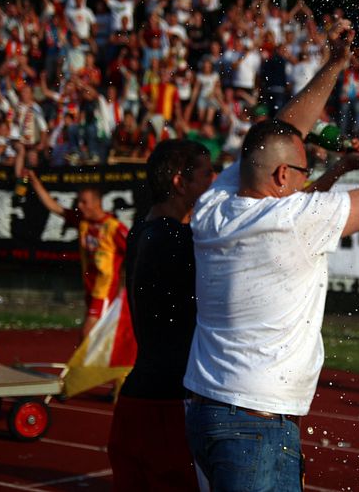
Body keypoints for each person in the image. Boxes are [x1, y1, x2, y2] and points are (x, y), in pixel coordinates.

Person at [183, 18, 359, 491]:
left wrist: (335, 64)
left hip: (208, 408)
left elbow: (284, 130)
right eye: (304, 171)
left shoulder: (214, 204)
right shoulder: (291, 219)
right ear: (281, 176)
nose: (308, 179)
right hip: (256, 422)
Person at [108, 140, 214, 490]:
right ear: (179, 182)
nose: (214, 182)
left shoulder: (143, 230)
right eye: (206, 174)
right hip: (169, 407)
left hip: (136, 398)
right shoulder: (176, 239)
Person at [27, 172, 128, 338]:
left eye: (84, 202)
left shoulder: (114, 228)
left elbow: (136, 253)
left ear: (97, 203)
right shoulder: (83, 221)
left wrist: (125, 286)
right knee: (99, 337)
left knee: (87, 334)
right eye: (78, 201)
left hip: (104, 291)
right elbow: (54, 207)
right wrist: (34, 181)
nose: (79, 205)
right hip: (90, 288)